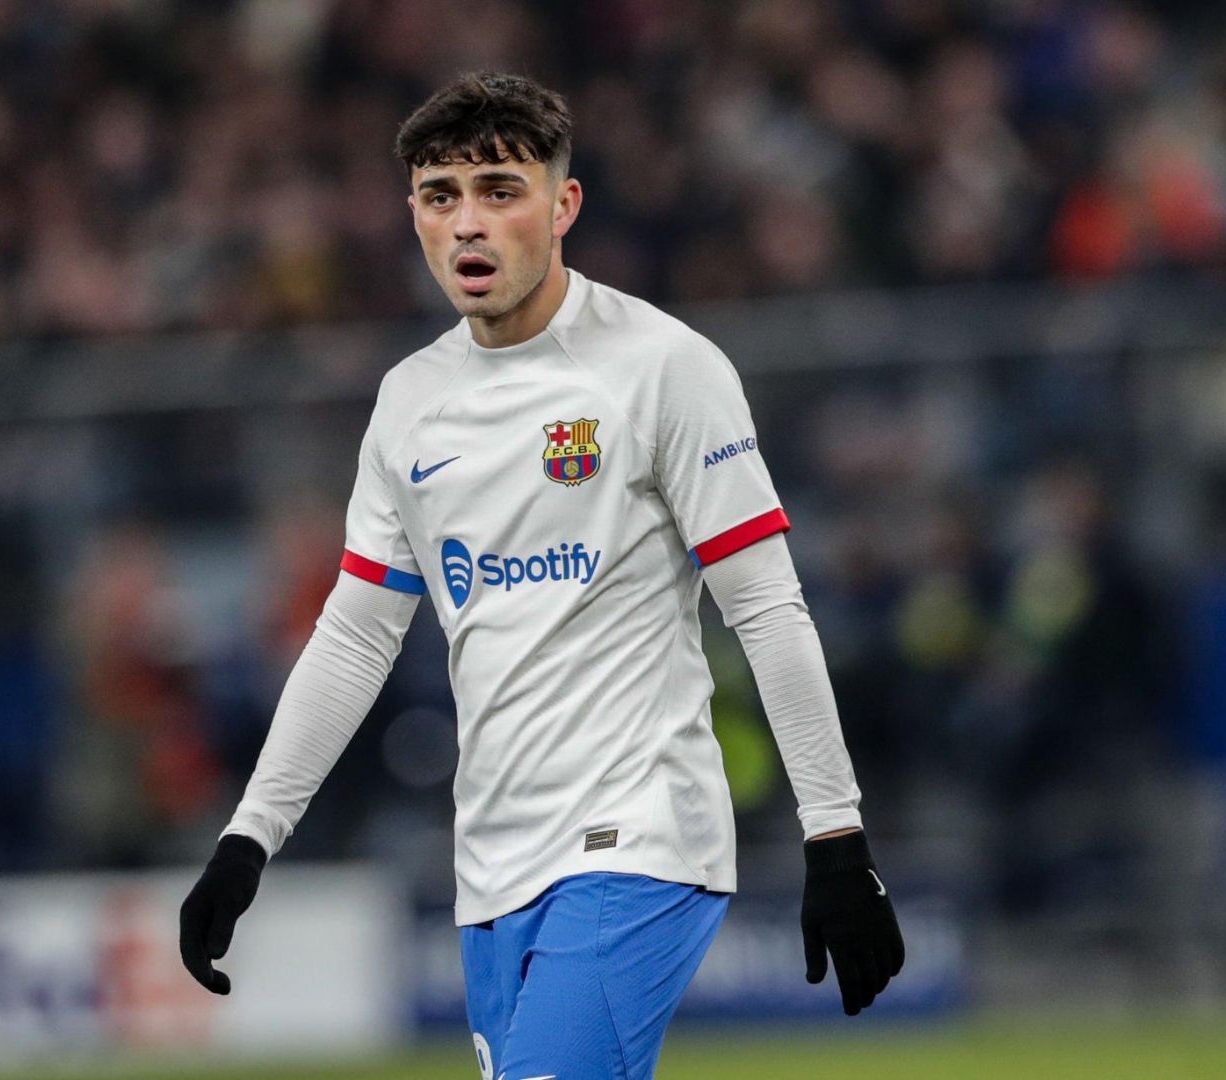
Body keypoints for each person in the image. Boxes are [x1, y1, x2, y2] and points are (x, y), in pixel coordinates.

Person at [179, 72, 903, 1078]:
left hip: (639, 842)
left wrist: (836, 838)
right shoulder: (409, 403)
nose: (468, 224)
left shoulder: (661, 367)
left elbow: (766, 605)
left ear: (562, 206)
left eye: (498, 190)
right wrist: (247, 839)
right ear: (413, 216)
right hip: (492, 866)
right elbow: (354, 635)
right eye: (441, 196)